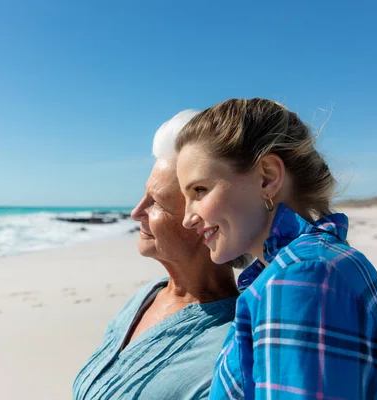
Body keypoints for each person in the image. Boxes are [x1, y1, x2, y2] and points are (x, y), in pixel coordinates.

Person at [174, 98, 377, 399]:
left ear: (267, 177)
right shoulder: (310, 265)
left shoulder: (298, 278)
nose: (187, 218)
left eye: (199, 190)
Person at [72, 110, 251, 400]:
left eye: (156, 203)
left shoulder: (231, 347)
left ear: (204, 223)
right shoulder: (146, 297)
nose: (136, 212)